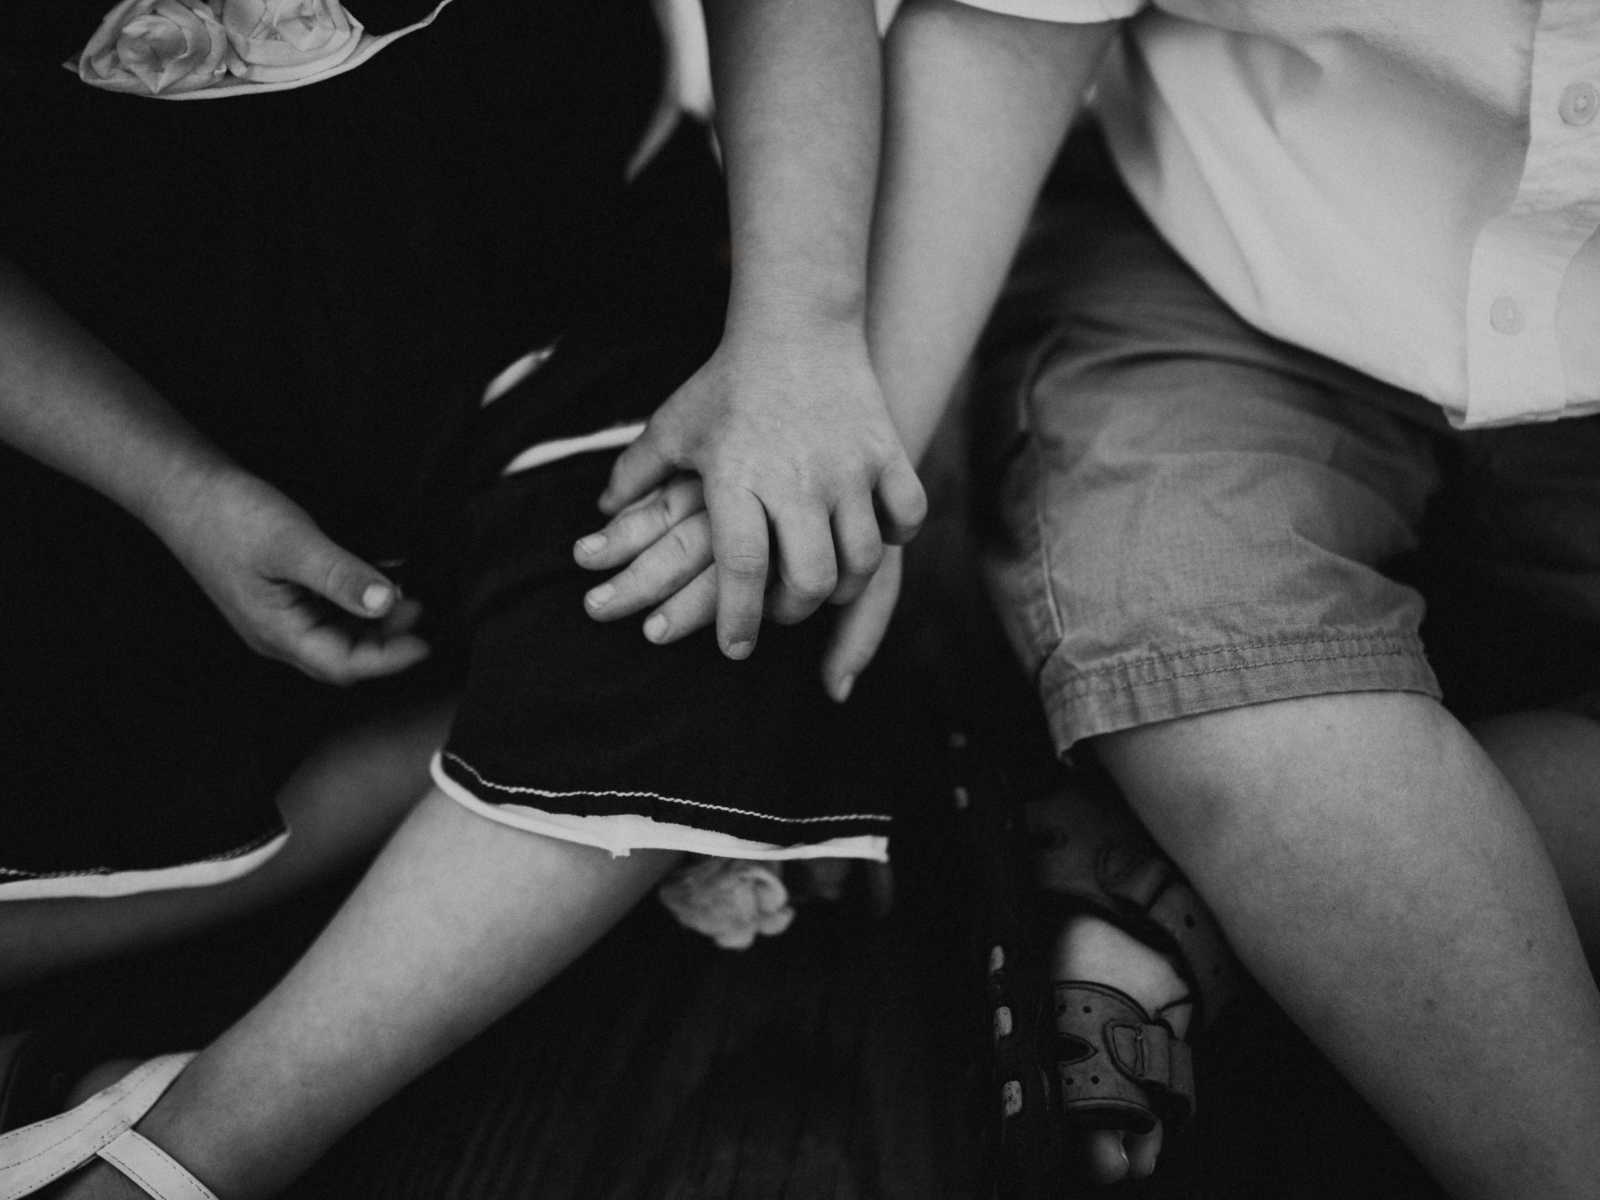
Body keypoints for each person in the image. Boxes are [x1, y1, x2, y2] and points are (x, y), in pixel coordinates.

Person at [581, 2, 1600, 1196]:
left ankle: (1201, 899)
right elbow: (1009, 25)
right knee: (1197, 636)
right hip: (1244, 264)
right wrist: (875, 441)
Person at [0, 1, 919, 1196]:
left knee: (725, 560)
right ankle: (444, 763)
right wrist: (178, 490)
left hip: (548, 291)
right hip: (107, 389)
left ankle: (199, 1143)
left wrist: (799, 341)